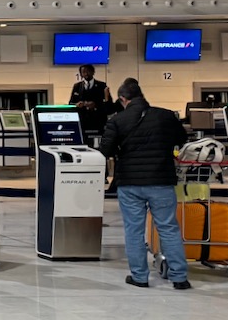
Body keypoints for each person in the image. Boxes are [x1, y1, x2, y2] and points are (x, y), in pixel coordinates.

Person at [101, 78, 190, 290]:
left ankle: (140, 277)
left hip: (130, 183)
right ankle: (179, 278)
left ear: (123, 99)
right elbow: (182, 138)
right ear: (142, 95)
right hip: (161, 180)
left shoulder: (118, 120)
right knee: (168, 227)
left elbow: (105, 150)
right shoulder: (166, 116)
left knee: (134, 230)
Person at [69, 65, 113, 138]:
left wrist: (95, 105)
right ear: (81, 74)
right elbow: (70, 103)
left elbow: (109, 105)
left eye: (88, 71)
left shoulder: (102, 85)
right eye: (84, 72)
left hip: (98, 121)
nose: (86, 74)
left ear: (93, 72)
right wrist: (77, 105)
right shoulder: (77, 86)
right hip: (82, 121)